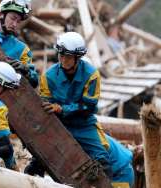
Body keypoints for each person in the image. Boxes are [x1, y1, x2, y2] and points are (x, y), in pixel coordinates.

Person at [25, 32, 112, 178]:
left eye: (69, 57)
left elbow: (88, 107)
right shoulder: (48, 76)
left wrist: (61, 108)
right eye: (61, 55)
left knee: (102, 160)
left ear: (78, 57)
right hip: (59, 124)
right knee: (38, 160)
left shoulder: (92, 75)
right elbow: (45, 103)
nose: (64, 60)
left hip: (84, 124)